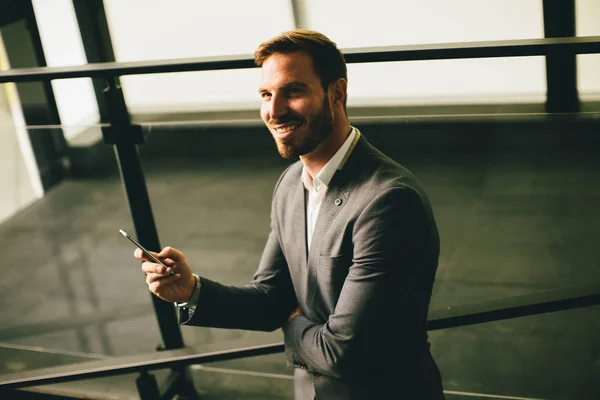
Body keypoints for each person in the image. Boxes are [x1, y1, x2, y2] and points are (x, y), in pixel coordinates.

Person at [138, 29, 445, 399]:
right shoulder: (290, 184)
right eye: (266, 94)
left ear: (337, 93)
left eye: (293, 91)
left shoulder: (388, 201)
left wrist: (293, 324)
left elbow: (342, 351)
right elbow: (271, 298)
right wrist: (190, 291)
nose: (274, 110)